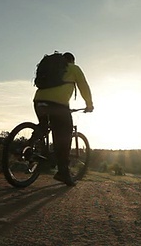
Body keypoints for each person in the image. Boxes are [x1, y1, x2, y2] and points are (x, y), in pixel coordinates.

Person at [33, 52, 94, 186]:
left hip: (39, 102)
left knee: (43, 128)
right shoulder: (73, 68)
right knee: (64, 136)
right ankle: (63, 173)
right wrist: (89, 104)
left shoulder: (50, 68)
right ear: (71, 61)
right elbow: (83, 86)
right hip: (58, 105)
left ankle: (29, 145)